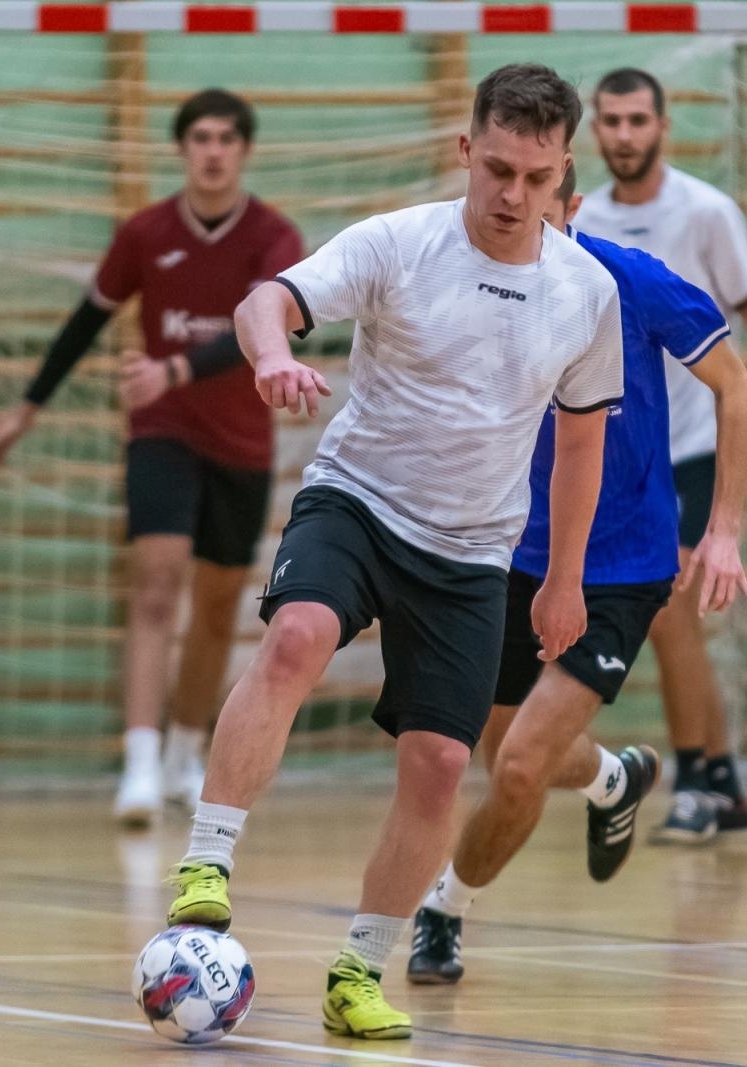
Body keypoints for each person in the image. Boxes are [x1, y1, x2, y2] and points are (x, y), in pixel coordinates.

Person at [163, 64, 624, 1039]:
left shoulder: (585, 292)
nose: (512, 195)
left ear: (562, 171)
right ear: (466, 149)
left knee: (442, 762)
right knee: (295, 634)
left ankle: (357, 968)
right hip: (359, 503)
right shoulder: (398, 242)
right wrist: (275, 354)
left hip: (470, 553)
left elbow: (580, 444)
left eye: (536, 178)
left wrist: (565, 583)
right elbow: (264, 301)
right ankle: (206, 858)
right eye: (496, 168)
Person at [407, 166, 747, 985]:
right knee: (502, 757)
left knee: (523, 764)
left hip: (623, 566)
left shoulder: (630, 281)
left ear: (571, 209)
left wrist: (724, 529)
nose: (518, 209)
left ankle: (444, 910)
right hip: (508, 554)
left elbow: (736, 389)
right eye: (503, 189)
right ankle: (615, 775)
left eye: (542, 197)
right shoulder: (474, 290)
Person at [0, 89, 301, 827]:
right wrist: (23, 412)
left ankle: (189, 754)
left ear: (244, 150)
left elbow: (268, 327)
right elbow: (86, 322)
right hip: (161, 431)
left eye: (226, 138)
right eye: (200, 138)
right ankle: (140, 765)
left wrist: (177, 367)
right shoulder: (145, 232)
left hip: (242, 442)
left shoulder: (273, 237)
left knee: (220, 607)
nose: (213, 150)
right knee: (155, 583)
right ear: (181, 149)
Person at [577, 67, 747, 842]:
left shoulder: (707, 213)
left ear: (663, 125)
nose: (623, 135)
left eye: (636, 120)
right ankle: (721, 780)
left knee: (673, 604)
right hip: (626, 450)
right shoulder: (587, 221)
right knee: (670, 616)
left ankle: (692, 781)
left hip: (697, 442)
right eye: (610, 121)